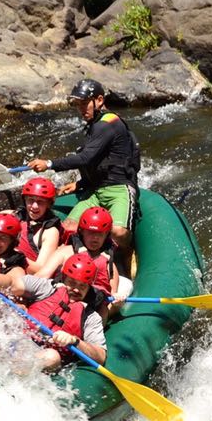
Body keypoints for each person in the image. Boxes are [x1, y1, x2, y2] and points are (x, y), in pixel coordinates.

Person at [27, 79, 141, 276]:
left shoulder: (109, 123)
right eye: (77, 104)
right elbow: (99, 162)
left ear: (99, 100)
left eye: (84, 103)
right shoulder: (94, 125)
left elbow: (86, 158)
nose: (81, 108)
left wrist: (49, 164)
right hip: (95, 190)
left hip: (119, 187)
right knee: (68, 227)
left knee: (119, 232)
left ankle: (125, 256)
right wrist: (81, 184)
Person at [0, 252, 107, 371]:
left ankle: (9, 372)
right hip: (20, 339)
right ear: (64, 278)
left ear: (89, 288)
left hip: (43, 357)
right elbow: (12, 283)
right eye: (72, 282)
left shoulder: (90, 317)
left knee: (52, 357)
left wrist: (75, 341)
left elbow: (100, 355)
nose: (76, 289)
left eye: (82, 286)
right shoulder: (47, 288)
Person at [35, 205, 122, 304]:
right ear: (82, 231)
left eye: (100, 233)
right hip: (57, 303)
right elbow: (40, 277)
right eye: (91, 232)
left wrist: (117, 304)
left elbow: (112, 300)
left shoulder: (110, 266)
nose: (95, 238)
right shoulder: (64, 253)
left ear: (107, 235)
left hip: (89, 310)